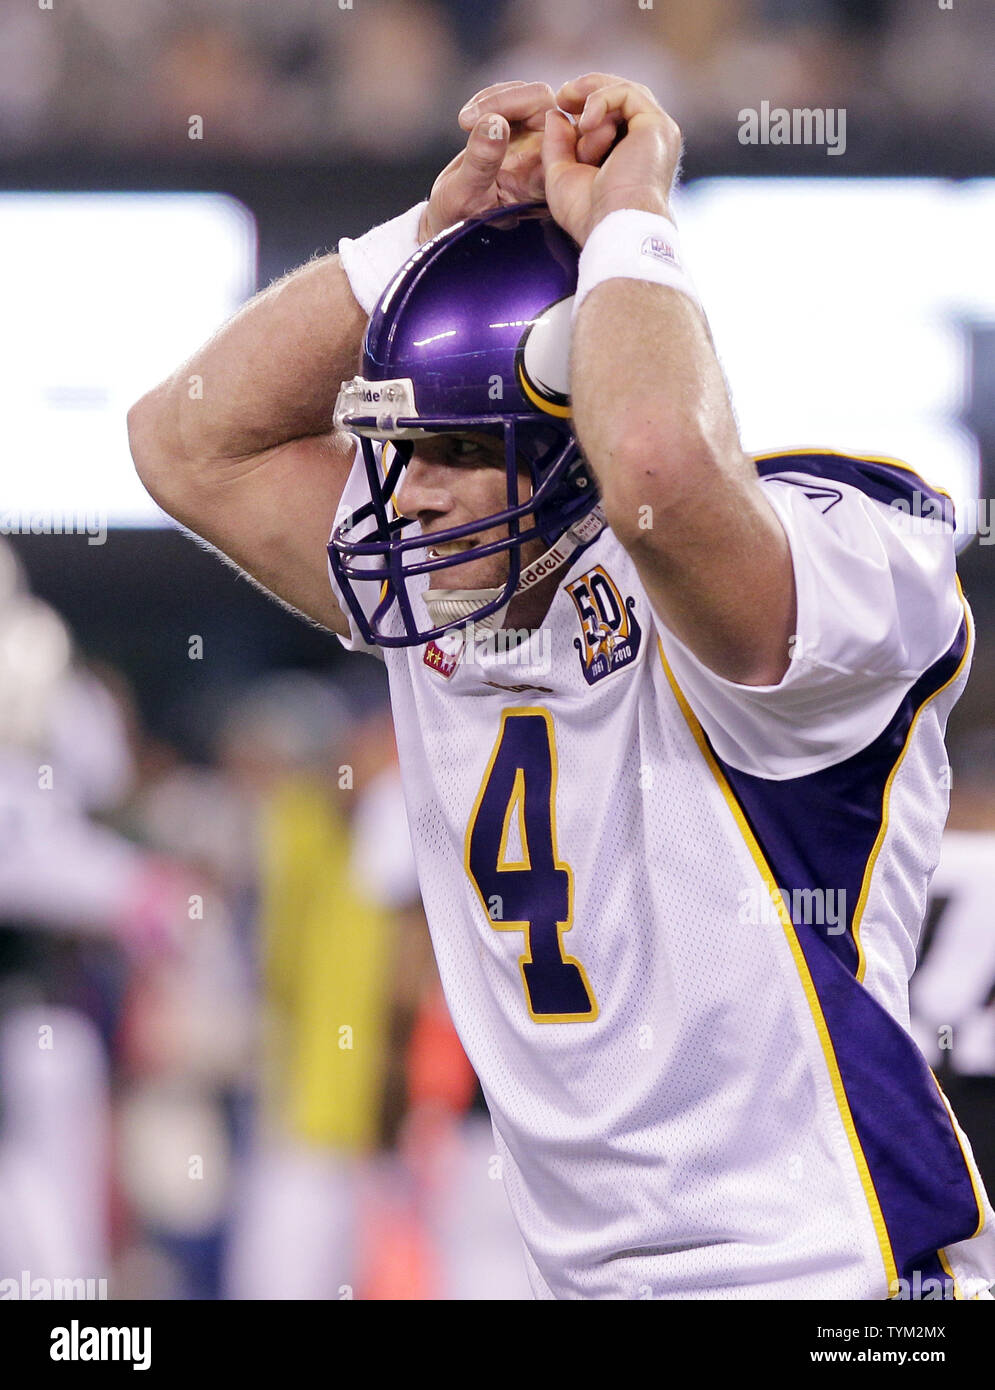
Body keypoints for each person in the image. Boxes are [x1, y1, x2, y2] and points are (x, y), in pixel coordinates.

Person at [128, 73, 995, 1300]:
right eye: (396, 450)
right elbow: (186, 435)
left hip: (832, 1289)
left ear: (563, 441)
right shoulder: (455, 595)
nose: (406, 494)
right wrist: (423, 245)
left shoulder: (827, 552)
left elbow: (659, 467)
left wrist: (631, 219)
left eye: (454, 450)